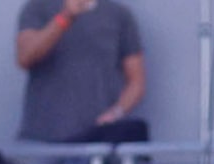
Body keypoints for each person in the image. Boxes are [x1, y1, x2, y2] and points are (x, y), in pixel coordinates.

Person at [14, 0, 145, 142]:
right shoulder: (38, 7)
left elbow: (136, 81)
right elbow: (25, 57)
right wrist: (65, 17)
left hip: (97, 141)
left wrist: (116, 113)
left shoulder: (119, 14)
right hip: (40, 138)